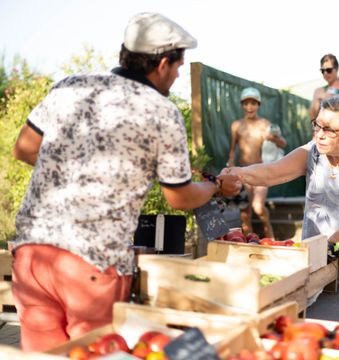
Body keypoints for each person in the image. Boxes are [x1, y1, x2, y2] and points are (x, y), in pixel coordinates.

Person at [11, 12, 241, 351]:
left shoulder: (71, 86)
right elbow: (179, 197)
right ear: (163, 63)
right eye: (178, 67)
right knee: (95, 353)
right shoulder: (161, 112)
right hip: (91, 261)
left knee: (43, 355)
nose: (177, 76)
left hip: (32, 254)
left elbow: (25, 149)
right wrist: (218, 187)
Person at [224, 96, 339, 294]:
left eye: (329, 130)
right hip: (321, 259)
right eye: (317, 125)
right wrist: (238, 173)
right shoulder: (312, 151)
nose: (319, 135)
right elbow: (272, 172)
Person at [226, 87, 287, 239]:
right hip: (243, 172)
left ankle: (269, 233)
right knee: (244, 211)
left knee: (258, 207)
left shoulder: (265, 124)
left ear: (258, 105)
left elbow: (283, 143)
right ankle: (250, 241)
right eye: (246, 104)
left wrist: (272, 137)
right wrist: (231, 167)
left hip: (261, 171)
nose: (249, 107)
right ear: (242, 105)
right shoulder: (236, 125)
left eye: (253, 103)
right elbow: (232, 150)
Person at [309, 54, 339, 120]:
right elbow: (313, 118)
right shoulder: (319, 91)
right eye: (322, 71)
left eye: (329, 70)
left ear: (337, 69)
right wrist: (318, 100)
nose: (325, 73)